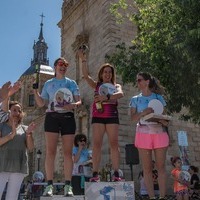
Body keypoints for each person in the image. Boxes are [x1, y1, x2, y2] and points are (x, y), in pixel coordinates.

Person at [33, 57, 81, 197]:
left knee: (67, 152)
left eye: (65, 65)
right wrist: (35, 92)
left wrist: (72, 105)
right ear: (55, 67)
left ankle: (68, 185)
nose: (63, 67)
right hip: (52, 117)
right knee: (50, 152)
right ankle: (49, 185)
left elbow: (78, 101)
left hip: (67, 117)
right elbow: (42, 103)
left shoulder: (71, 83)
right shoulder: (48, 83)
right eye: (60, 64)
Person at [78, 49, 124, 182]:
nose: (107, 74)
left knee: (114, 144)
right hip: (98, 116)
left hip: (112, 116)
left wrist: (106, 97)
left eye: (110, 72)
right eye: (105, 72)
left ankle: (116, 174)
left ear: (112, 74)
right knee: (96, 144)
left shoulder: (116, 86)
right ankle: (95, 174)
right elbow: (86, 76)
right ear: (101, 74)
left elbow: (120, 95)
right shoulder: (97, 85)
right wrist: (83, 59)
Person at [129, 72, 169, 200]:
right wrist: (143, 112)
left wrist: (162, 120)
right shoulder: (135, 99)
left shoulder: (159, 98)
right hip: (143, 134)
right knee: (147, 168)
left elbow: (165, 117)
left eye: (139, 80)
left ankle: (162, 197)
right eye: (137, 80)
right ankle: (151, 197)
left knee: (161, 167)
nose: (137, 82)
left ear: (147, 82)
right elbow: (132, 118)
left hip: (159, 133)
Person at [0, 87, 36, 200]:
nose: (17, 113)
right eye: (14, 110)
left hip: (18, 167)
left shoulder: (25, 129)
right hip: (2, 165)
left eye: (19, 110)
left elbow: (30, 148)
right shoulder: (1, 125)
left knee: (12, 197)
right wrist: (10, 136)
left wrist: (29, 134)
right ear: (8, 111)